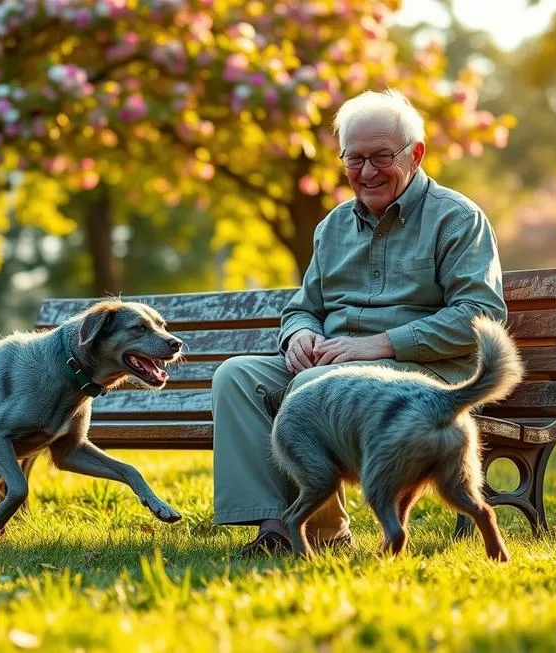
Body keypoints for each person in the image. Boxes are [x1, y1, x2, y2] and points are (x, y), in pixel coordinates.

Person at [210, 88, 508, 557]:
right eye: (355, 159)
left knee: (315, 382)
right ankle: (277, 528)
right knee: (237, 376)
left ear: (416, 154)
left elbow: (480, 315)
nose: (367, 172)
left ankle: (324, 531)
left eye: (382, 157)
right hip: (330, 366)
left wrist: (383, 344)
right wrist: (299, 333)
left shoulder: (456, 219)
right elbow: (303, 306)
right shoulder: (331, 227)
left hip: (418, 378)